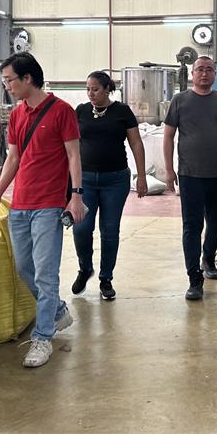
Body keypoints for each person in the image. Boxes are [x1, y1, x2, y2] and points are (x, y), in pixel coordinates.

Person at [0, 52, 86, 368]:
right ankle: (57, 311)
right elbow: (13, 158)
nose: (7, 86)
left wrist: (76, 196)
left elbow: (73, 156)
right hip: (20, 205)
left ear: (27, 78)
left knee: (45, 274)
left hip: (48, 205)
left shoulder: (62, 111)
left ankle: (43, 338)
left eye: (9, 80)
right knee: (24, 269)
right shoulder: (17, 116)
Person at [163, 56, 217, 301]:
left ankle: (208, 258)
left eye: (209, 69)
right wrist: (169, 170)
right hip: (190, 175)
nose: (204, 73)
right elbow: (168, 136)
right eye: (200, 69)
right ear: (192, 74)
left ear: (215, 74)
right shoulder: (180, 101)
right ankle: (194, 278)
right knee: (192, 226)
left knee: (215, 222)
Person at [71, 71, 148, 301]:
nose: (90, 93)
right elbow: (70, 146)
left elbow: (136, 143)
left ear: (107, 89)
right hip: (85, 180)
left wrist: (141, 176)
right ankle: (85, 268)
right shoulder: (81, 111)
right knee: (81, 227)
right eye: (87, 89)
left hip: (115, 180)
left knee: (110, 230)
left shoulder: (122, 112)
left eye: (95, 89)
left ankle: (106, 278)